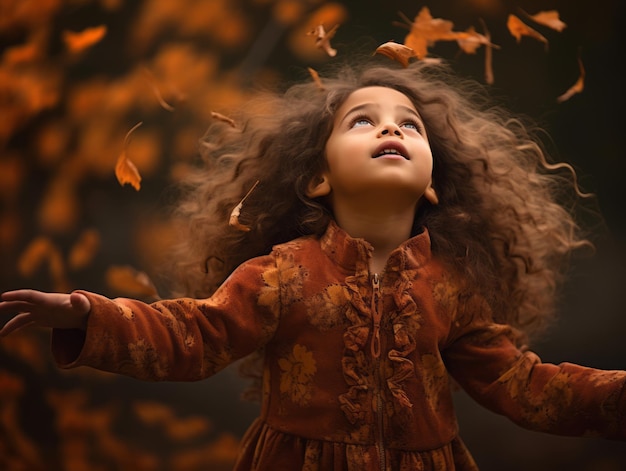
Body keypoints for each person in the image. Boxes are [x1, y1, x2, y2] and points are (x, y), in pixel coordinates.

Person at [0, 58, 624, 470]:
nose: (393, 129)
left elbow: (525, 387)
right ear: (320, 177)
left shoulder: (453, 289)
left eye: (411, 125)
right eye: (364, 121)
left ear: (433, 183)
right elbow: (192, 335)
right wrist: (85, 316)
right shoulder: (284, 273)